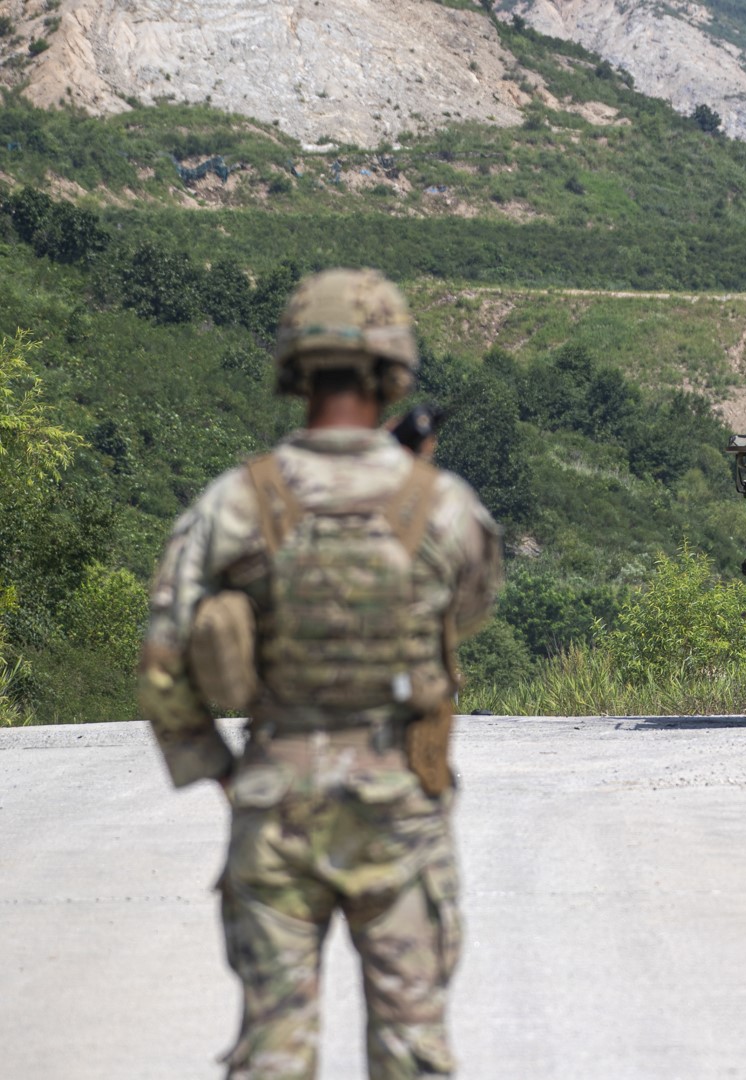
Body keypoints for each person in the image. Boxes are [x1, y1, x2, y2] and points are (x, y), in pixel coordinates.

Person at [138, 268, 502, 1079]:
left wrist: (223, 775)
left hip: (275, 802)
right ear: (393, 370)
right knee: (412, 1052)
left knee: (271, 1051)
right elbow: (468, 613)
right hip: (399, 806)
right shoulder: (439, 502)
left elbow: (164, 662)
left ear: (295, 369)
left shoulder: (236, 502)